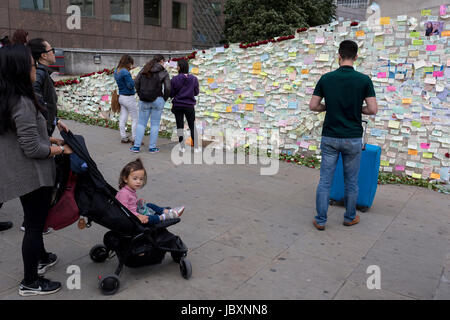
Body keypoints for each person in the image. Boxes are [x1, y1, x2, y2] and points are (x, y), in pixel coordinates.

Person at [0, 44, 73, 296]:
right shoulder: (21, 101)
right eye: (31, 64)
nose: (35, 68)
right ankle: (30, 281)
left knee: (35, 219)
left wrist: (50, 139)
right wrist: (59, 151)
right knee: (34, 225)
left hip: (21, 172)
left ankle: (41, 257)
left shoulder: (8, 97)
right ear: (20, 69)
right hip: (31, 174)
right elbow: (31, 147)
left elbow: (23, 135)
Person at [309, 40, 378, 231]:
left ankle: (321, 220)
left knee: (325, 181)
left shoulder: (326, 78)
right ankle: (349, 217)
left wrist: (328, 106)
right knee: (351, 180)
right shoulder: (364, 80)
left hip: (330, 136)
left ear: (338, 56)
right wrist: (357, 109)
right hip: (353, 137)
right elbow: (372, 109)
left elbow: (313, 105)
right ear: (356, 57)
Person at [116, 159, 185, 225]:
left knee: (149, 205)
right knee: (149, 218)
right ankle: (164, 217)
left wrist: (138, 202)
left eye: (141, 179)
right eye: (135, 179)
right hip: (131, 218)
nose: (138, 182)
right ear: (125, 179)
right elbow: (123, 210)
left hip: (135, 211)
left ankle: (168, 211)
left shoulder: (130, 190)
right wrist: (138, 216)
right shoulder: (124, 194)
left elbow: (131, 204)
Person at [131, 54, 171, 153]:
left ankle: (136, 147)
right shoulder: (163, 72)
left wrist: (140, 94)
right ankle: (152, 148)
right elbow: (168, 88)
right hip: (158, 99)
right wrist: (163, 99)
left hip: (144, 99)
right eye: (164, 61)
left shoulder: (145, 69)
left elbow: (136, 82)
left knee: (141, 123)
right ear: (161, 61)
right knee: (155, 124)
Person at [28, 38, 58, 137]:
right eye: (52, 50)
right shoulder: (40, 72)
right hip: (43, 127)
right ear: (44, 55)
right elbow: (34, 92)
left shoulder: (42, 71)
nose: (54, 53)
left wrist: (56, 120)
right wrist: (45, 116)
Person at [170, 59, 200, 152]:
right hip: (189, 105)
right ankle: (196, 147)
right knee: (192, 125)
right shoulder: (194, 79)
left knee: (180, 125)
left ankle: (182, 146)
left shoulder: (174, 79)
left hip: (178, 105)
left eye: (177, 66)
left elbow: (171, 93)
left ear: (179, 67)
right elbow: (196, 92)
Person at [114, 54, 138, 144]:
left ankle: (123, 137)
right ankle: (135, 138)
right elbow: (130, 85)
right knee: (135, 118)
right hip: (129, 98)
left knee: (123, 117)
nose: (131, 66)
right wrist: (134, 80)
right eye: (130, 63)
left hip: (121, 97)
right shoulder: (125, 72)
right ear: (127, 62)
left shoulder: (116, 71)